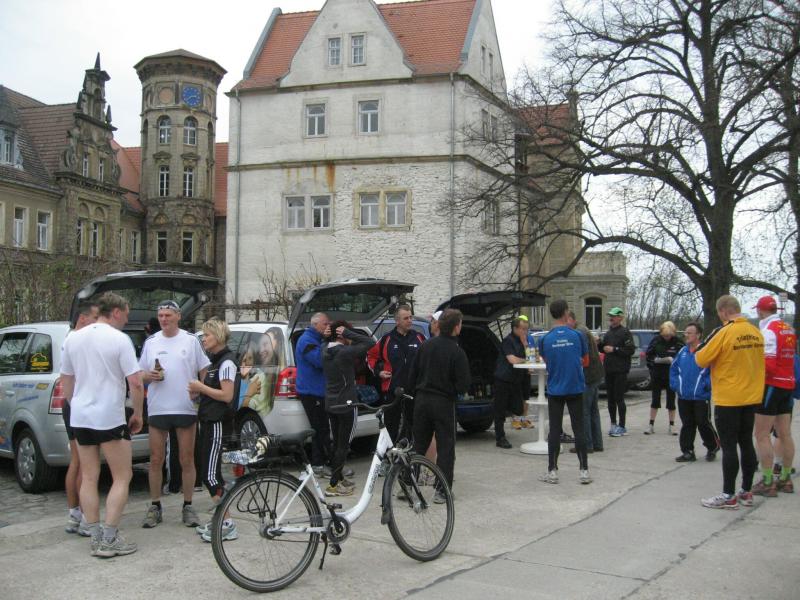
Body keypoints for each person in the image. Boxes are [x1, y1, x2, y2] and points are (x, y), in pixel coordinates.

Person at [60, 292, 144, 557]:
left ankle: (95, 537)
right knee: (122, 476)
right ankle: (109, 538)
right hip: (109, 416)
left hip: (81, 416)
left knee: (89, 476)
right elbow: (136, 382)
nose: (126, 320)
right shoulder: (119, 339)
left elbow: (66, 380)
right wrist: (138, 413)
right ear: (116, 312)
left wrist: (76, 405)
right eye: (126, 315)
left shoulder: (74, 338)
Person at [139, 299, 210, 529]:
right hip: (158, 407)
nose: (164, 319)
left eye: (168, 315)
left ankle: (188, 505)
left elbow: (205, 370)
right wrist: (149, 376)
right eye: (160, 316)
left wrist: (201, 391)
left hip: (185, 406)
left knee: (186, 459)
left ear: (178, 316)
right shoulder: (151, 342)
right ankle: (155, 505)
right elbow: (139, 374)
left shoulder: (190, 340)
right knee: (155, 459)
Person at [696, 295, 764, 509]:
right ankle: (746, 491)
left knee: (729, 446)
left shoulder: (724, 331)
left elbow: (701, 359)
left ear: (724, 311)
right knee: (746, 442)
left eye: (719, 313)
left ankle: (728, 495)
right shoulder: (755, 331)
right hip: (751, 396)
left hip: (729, 397)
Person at [409, 309, 471, 501]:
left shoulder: (425, 346)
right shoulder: (457, 352)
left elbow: (412, 375)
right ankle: (442, 491)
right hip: (443, 402)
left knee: (418, 445)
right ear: (456, 327)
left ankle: (408, 485)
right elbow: (463, 385)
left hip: (421, 400)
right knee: (446, 447)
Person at [187, 318, 239, 542]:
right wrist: (198, 393)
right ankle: (222, 519)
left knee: (210, 475)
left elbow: (227, 395)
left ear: (217, 336)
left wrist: (201, 387)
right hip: (207, 420)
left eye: (207, 335)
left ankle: (227, 523)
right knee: (210, 473)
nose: (203, 339)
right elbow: (213, 392)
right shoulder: (215, 362)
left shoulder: (226, 362)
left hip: (217, 422)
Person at [537, 300, 591, 485]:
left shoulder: (544, 339)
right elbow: (585, 361)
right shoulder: (577, 335)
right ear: (566, 313)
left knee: (554, 430)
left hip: (555, 389)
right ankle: (584, 471)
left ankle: (552, 471)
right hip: (575, 387)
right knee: (579, 428)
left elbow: (546, 360)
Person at [750, 296, 797, 496]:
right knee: (785, 433)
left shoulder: (768, 331)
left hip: (771, 385)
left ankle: (768, 481)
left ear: (761, 311)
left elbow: (768, 365)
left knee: (762, 435)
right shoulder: (788, 329)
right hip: (787, 384)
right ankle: (785, 478)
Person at [322, 322, 373, 497]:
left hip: (331, 403)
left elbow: (326, 341)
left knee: (337, 443)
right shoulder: (344, 352)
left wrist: (327, 336)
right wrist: (349, 333)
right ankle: (333, 485)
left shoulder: (324, 349)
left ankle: (339, 477)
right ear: (341, 335)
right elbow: (370, 342)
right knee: (343, 446)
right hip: (347, 404)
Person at [63, 301, 99, 536]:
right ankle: (86, 517)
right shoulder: (77, 340)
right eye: (95, 318)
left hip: (72, 405)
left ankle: (74, 515)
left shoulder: (69, 338)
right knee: (85, 466)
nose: (98, 323)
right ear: (83, 318)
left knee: (76, 461)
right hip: (79, 405)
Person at [367, 305, 426, 443]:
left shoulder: (419, 337)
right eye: (406, 318)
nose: (410, 320)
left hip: (414, 390)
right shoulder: (386, 339)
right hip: (392, 390)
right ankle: (389, 453)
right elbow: (370, 356)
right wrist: (378, 372)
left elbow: (429, 358)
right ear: (397, 321)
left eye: (410, 317)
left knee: (415, 425)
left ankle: (413, 453)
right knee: (390, 426)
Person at [670, 322, 718, 462]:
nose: (686, 335)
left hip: (700, 396)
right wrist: (676, 385)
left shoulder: (706, 351)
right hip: (684, 395)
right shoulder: (682, 352)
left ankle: (712, 447)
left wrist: (706, 385)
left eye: (689, 333)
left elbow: (714, 371)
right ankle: (688, 452)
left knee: (703, 423)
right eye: (685, 332)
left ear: (698, 335)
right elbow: (673, 369)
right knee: (687, 424)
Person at [296, 312, 333, 474]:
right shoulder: (306, 340)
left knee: (323, 427)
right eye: (325, 324)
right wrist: (326, 341)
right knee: (319, 428)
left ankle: (328, 462)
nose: (328, 326)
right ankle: (318, 464)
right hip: (311, 392)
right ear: (315, 324)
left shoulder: (316, 339)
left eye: (329, 323)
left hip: (320, 391)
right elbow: (319, 360)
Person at [566, 310, 604, 453]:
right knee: (593, 410)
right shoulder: (584, 329)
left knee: (584, 412)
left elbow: (582, 355)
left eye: (566, 321)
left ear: (571, 319)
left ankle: (586, 445)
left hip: (587, 376)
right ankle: (597, 443)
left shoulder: (579, 332)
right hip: (595, 374)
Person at [492, 317, 529, 449]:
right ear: (515, 329)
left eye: (526, 329)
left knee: (519, 408)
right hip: (503, 379)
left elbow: (529, 356)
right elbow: (512, 359)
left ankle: (509, 412)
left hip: (515, 380)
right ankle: (500, 437)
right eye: (523, 329)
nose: (525, 331)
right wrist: (524, 360)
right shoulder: (508, 341)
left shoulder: (521, 341)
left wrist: (525, 344)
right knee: (500, 410)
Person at [644, 321, 684, 435]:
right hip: (657, 373)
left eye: (669, 335)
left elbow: (683, 356)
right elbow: (649, 355)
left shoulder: (678, 342)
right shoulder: (656, 340)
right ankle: (651, 425)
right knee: (655, 399)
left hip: (671, 374)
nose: (667, 337)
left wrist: (674, 362)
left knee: (671, 399)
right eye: (665, 335)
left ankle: (672, 426)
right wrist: (657, 361)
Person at [600, 307, 635, 436]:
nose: (611, 318)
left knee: (619, 398)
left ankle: (622, 426)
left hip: (621, 370)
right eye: (610, 316)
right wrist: (598, 343)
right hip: (609, 369)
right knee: (610, 399)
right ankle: (613, 424)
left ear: (620, 317)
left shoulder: (625, 332)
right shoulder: (608, 333)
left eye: (614, 316)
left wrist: (614, 349)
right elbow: (604, 349)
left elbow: (630, 350)